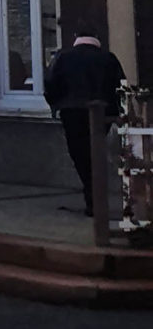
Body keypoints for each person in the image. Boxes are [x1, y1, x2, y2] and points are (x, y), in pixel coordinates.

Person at [44, 21, 125, 216]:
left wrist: (56, 105)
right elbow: (120, 86)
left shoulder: (63, 57)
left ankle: (92, 198)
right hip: (102, 113)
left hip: (72, 112)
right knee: (95, 152)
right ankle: (95, 198)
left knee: (80, 155)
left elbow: (51, 84)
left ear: (76, 38)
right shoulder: (108, 58)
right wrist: (118, 112)